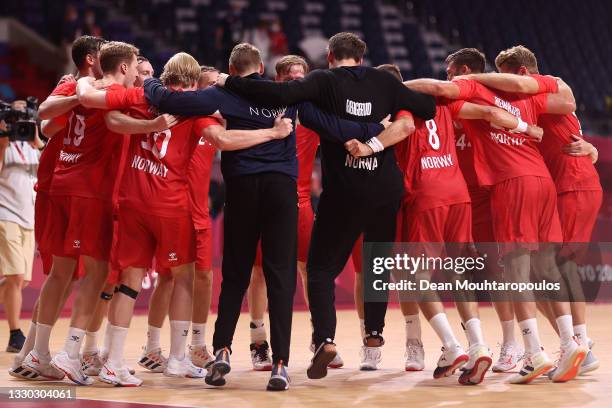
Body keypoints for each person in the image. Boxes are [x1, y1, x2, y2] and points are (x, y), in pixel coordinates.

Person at [143, 42, 391, 391]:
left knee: (235, 275)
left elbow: (169, 101)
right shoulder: (287, 96)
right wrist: (373, 129)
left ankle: (223, 351)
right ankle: (280, 364)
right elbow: (333, 125)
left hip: (242, 189)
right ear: (261, 70)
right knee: (281, 277)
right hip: (281, 192)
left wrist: (148, 81)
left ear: (233, 70)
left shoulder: (223, 96)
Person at [217, 32, 436, 378]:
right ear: (361, 59)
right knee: (376, 262)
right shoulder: (383, 80)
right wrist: (382, 122)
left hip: (345, 189)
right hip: (385, 189)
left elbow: (278, 95)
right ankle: (374, 335)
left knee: (319, 270)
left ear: (330, 56)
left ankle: (326, 339)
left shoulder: (322, 81)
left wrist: (228, 80)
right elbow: (427, 108)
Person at [352, 63, 541, 384]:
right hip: (459, 193)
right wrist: (528, 128)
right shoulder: (442, 103)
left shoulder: (399, 107)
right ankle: (478, 344)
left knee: (414, 276)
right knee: (457, 271)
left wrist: (370, 144)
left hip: (428, 194)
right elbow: (489, 114)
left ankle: (452, 346)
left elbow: (404, 129)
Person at [404, 57, 588, 384]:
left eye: (452, 72)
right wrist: (529, 127)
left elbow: (439, 89)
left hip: (508, 185)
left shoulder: (472, 88)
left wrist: (389, 88)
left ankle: (534, 352)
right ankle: (570, 341)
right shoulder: (528, 94)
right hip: (540, 180)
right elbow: (566, 103)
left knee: (514, 270)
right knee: (544, 267)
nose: (448, 76)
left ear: (464, 72)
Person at [464, 45, 602, 376]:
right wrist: (592, 147)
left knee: (554, 267)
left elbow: (562, 102)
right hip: (560, 183)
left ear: (523, 73)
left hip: (570, 184)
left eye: (505, 77)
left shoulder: (548, 84)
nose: (502, 86)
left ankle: (577, 344)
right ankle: (571, 345)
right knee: (543, 271)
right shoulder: (531, 100)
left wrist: (475, 80)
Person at [0, 104, 43, 353]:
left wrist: (36, 137)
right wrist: (4, 139)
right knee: (15, 277)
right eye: (14, 117)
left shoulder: (31, 145)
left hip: (29, 216)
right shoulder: (3, 146)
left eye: (24, 116)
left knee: (22, 281)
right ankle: (15, 335)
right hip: (6, 214)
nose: (20, 122)